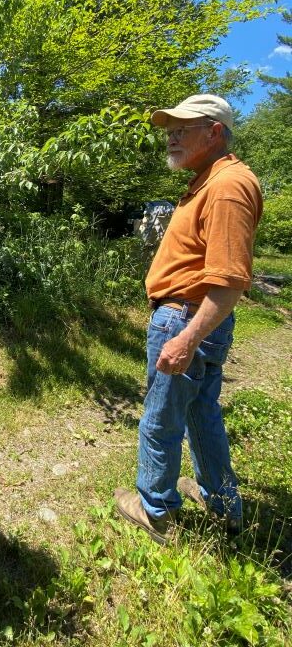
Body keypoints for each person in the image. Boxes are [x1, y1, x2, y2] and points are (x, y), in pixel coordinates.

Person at [114, 94, 262, 544]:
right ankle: (223, 503)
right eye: (169, 128)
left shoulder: (226, 187)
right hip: (191, 318)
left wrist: (186, 339)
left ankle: (154, 510)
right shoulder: (209, 181)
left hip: (186, 320)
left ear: (214, 132)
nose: (171, 136)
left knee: (160, 419)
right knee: (202, 415)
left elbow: (230, 281)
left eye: (183, 127)